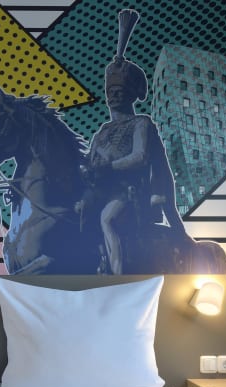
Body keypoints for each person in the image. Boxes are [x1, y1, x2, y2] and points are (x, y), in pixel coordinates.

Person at [80, 9, 185, 274]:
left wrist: (109, 167)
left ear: (130, 94)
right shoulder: (102, 131)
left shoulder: (141, 124)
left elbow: (140, 157)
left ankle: (115, 274)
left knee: (107, 219)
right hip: (102, 190)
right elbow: (91, 160)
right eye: (111, 91)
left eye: (120, 91)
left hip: (130, 192)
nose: (114, 96)